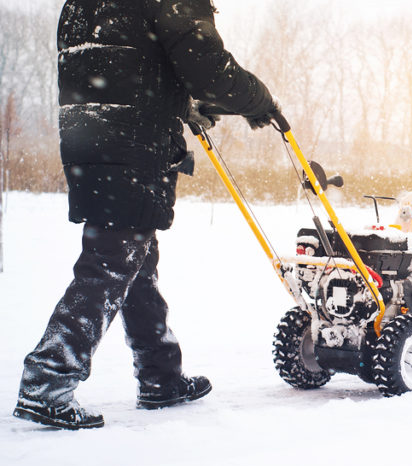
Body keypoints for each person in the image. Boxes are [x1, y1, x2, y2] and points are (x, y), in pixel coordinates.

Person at [12, 0, 279, 430]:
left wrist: (179, 104)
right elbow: (209, 70)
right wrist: (258, 100)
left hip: (89, 137)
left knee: (135, 255)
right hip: (133, 142)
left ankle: (160, 375)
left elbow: (117, 64)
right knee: (113, 259)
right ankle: (49, 376)